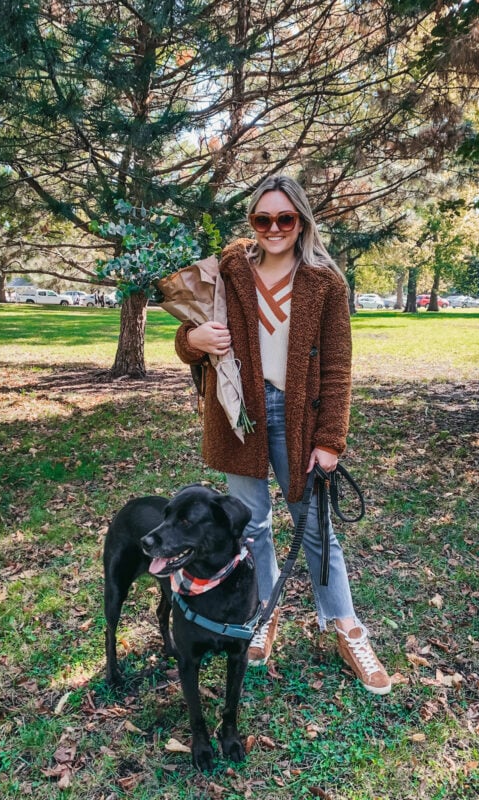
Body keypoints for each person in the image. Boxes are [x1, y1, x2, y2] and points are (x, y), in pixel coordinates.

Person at [175, 175, 391, 695]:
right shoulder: (230, 268)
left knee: (314, 527)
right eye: (262, 219)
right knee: (250, 528)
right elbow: (189, 331)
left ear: (302, 221)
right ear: (252, 221)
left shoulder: (325, 283)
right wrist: (192, 339)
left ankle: (346, 627)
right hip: (238, 417)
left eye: (284, 219)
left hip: (300, 420)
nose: (273, 229)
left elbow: (338, 368)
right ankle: (262, 613)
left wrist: (330, 440)